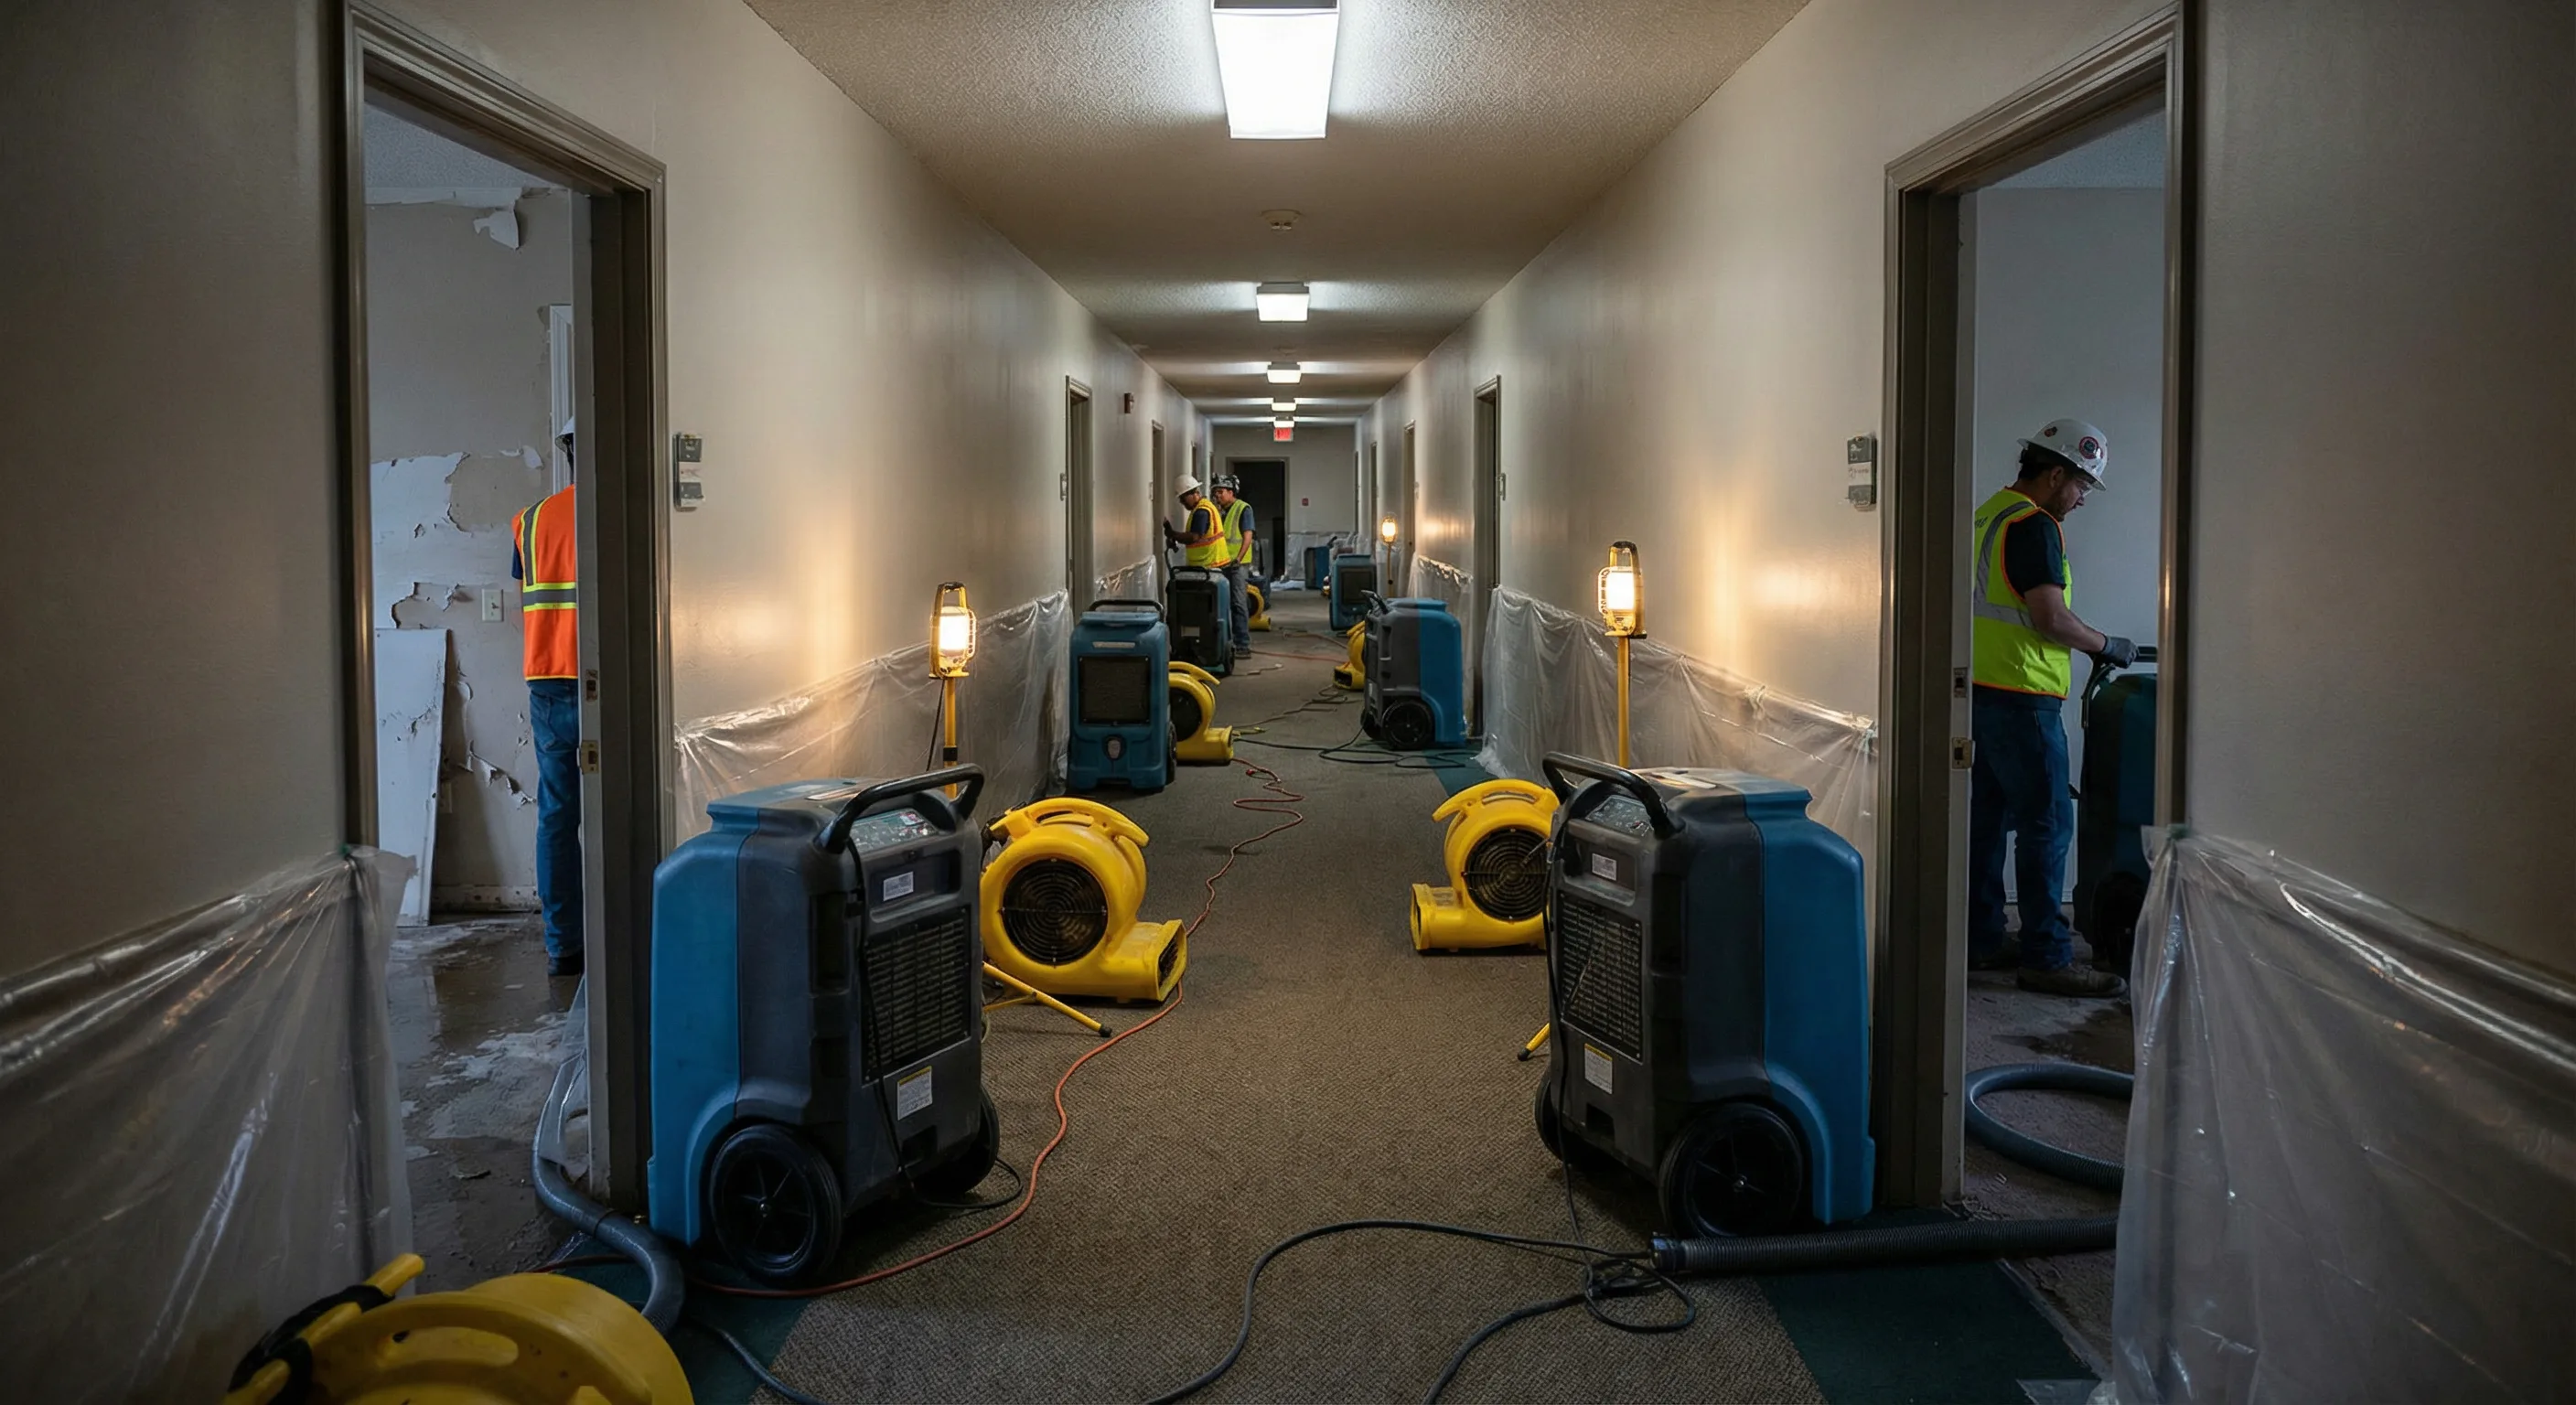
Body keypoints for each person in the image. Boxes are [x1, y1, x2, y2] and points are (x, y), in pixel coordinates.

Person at [1968, 417, 2138, 999]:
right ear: (2056, 472)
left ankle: (1984, 936)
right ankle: (2047, 955)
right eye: (2082, 484)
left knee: (1987, 824)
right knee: (2047, 825)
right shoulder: (2034, 526)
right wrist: (2107, 644)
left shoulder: (1988, 514)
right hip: (2023, 699)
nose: (2083, 498)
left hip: (1980, 694)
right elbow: (2051, 618)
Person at [511, 424, 584, 978]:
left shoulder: (530, 520)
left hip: (550, 681)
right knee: (632, 808)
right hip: (614, 681)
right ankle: (631, 930)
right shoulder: (624, 514)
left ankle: (564, 946)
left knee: (558, 816)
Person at [1211, 476, 1257, 655]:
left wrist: (1239, 557)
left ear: (1231, 492)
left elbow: (1247, 536)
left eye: (1221, 492)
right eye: (1215, 493)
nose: (1217, 496)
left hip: (1237, 565)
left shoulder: (1243, 509)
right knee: (1224, 603)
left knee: (1238, 603)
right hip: (1222, 563)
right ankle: (1228, 642)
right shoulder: (1221, 511)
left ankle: (1243, 644)